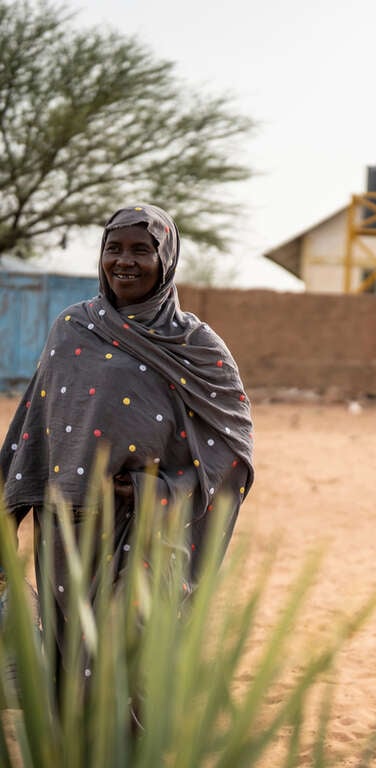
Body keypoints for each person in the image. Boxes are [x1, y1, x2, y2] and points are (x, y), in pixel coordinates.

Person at [0, 204, 255, 680]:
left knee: (127, 654)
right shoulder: (72, 328)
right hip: (65, 527)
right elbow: (31, 429)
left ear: (167, 261)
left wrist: (155, 490)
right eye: (113, 249)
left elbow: (231, 447)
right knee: (68, 659)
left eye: (142, 250)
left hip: (145, 528)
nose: (125, 261)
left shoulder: (195, 345)